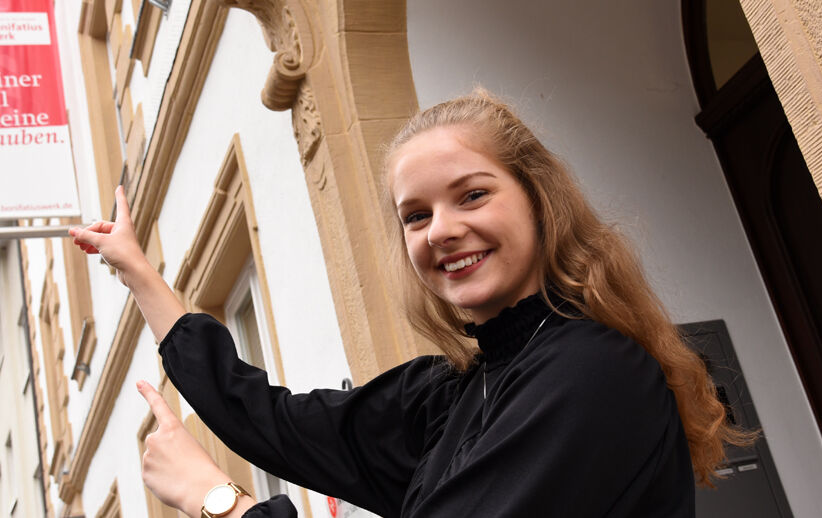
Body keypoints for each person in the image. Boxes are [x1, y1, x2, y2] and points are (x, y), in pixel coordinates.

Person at [69, 89, 748, 517]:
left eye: (473, 195)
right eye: (415, 215)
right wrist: (140, 275)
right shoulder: (452, 394)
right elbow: (273, 421)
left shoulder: (592, 373)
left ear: (541, 202)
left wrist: (216, 499)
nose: (443, 230)